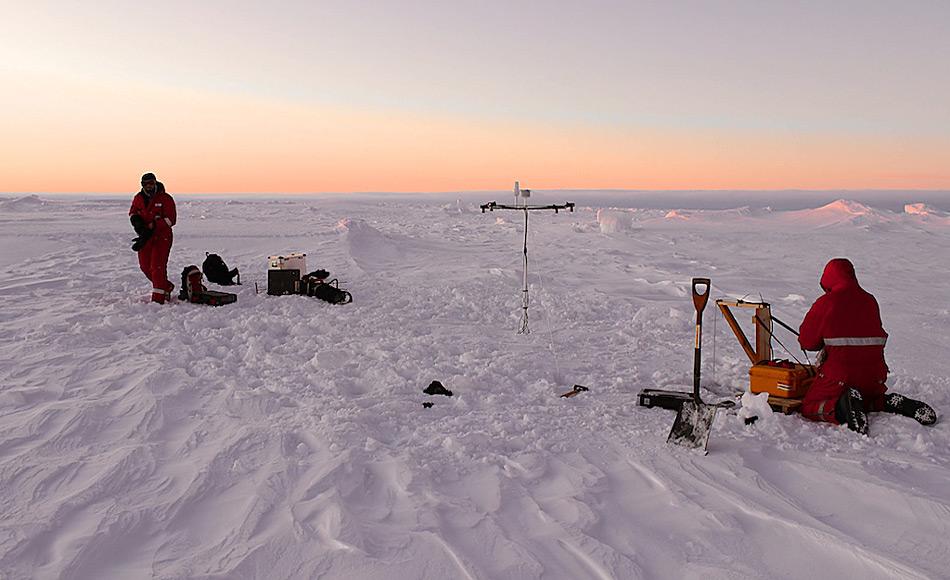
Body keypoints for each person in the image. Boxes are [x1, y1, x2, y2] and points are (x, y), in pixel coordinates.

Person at [798, 258, 936, 433]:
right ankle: (885, 402)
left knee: (809, 406)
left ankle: (841, 408)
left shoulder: (827, 302)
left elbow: (807, 342)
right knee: (868, 399)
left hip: (840, 377)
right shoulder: (870, 300)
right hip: (873, 377)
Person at [129, 172, 176, 303]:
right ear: (142, 185)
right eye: (146, 184)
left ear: (156, 183)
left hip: (162, 237)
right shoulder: (138, 198)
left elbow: (171, 219)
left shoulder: (165, 198)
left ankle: (158, 300)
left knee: (157, 267)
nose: (149, 186)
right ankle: (166, 286)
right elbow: (133, 211)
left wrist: (153, 225)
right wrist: (137, 222)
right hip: (145, 237)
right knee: (145, 267)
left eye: (152, 183)